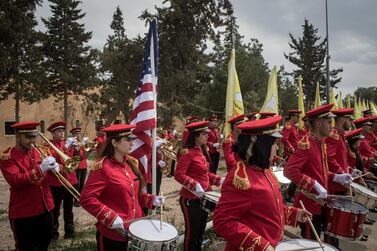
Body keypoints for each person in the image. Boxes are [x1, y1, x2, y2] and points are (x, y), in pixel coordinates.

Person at [213, 116, 312, 251]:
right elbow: (222, 222)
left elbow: (266, 209)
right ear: (262, 147)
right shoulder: (240, 179)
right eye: (274, 144)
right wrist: (261, 246)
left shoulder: (266, 172)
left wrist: (294, 214)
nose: (277, 147)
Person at [80, 124, 164, 251]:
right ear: (114, 142)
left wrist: (151, 200)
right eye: (128, 139)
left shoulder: (131, 163)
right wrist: (110, 217)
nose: (132, 143)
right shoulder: (102, 168)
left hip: (135, 230)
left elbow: (134, 196)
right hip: (113, 235)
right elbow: (86, 198)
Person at [284, 104, 353, 242]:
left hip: (320, 202)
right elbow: (289, 171)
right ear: (319, 123)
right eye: (329, 122)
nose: (331, 126)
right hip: (308, 204)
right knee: (312, 243)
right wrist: (313, 184)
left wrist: (337, 177)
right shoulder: (307, 144)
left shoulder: (321, 144)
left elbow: (321, 171)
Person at [0, 122, 58, 251]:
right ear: (17, 136)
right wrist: (40, 169)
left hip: (46, 207)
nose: (32, 141)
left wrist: (56, 170)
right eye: (27, 137)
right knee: (26, 247)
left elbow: (50, 176)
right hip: (24, 211)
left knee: (44, 243)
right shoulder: (8, 156)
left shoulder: (41, 151)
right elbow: (15, 180)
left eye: (33, 137)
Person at [174, 121, 224, 251]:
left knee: (200, 232)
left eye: (207, 133)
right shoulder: (187, 152)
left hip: (204, 197)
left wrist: (219, 180)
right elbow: (178, 174)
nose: (207, 136)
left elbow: (205, 173)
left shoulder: (201, 151)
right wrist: (194, 185)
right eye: (204, 133)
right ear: (195, 135)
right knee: (192, 234)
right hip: (190, 199)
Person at [46, 121, 78, 239]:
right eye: (59, 131)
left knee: (69, 209)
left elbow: (77, 159)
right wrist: (65, 148)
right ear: (53, 134)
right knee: (55, 210)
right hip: (56, 182)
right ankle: (53, 234)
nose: (62, 133)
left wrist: (78, 149)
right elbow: (52, 157)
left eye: (63, 131)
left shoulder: (68, 143)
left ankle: (69, 232)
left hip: (70, 180)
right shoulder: (49, 145)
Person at [68, 127, 88, 207]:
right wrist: (83, 144)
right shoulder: (73, 143)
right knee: (77, 184)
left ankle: (80, 198)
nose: (78, 135)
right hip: (77, 166)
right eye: (76, 134)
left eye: (79, 133)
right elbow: (76, 151)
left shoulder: (81, 142)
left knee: (82, 184)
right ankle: (76, 200)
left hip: (84, 165)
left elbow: (86, 153)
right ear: (73, 135)